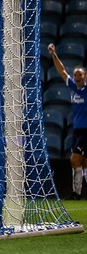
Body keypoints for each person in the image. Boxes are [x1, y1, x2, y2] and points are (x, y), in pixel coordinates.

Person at [47, 43, 87, 198]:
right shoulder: (73, 87)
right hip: (76, 129)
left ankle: (76, 193)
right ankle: (78, 193)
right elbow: (61, 70)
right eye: (75, 75)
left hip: (85, 130)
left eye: (80, 75)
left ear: (85, 76)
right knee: (83, 163)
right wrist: (53, 54)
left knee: (74, 160)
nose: (76, 77)